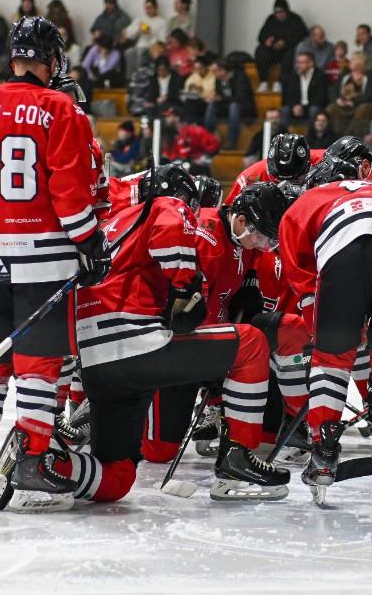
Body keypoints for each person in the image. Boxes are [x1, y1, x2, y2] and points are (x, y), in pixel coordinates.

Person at [0, 16, 107, 508]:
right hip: (44, 260)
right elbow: (68, 188)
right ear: (53, 60)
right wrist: (88, 240)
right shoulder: (61, 108)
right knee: (38, 367)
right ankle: (34, 461)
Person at [56, 168, 291, 505]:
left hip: (96, 360)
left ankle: (47, 464)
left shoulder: (114, 222)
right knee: (251, 343)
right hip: (136, 341)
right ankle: (236, 460)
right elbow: (182, 306)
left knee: (118, 478)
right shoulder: (169, 209)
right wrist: (186, 284)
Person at [278, 159, 372, 506]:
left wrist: (323, 324)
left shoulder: (313, 197)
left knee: (331, 356)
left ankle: (324, 449)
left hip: (346, 246)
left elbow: (298, 271)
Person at [226, 132, 325, 203]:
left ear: (308, 165)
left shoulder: (324, 160)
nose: (287, 185)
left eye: (295, 179)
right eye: (279, 179)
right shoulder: (248, 177)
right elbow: (229, 213)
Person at [254, 0, 308, 92]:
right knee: (260, 51)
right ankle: (263, 82)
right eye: (277, 13)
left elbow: (303, 35)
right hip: (272, 52)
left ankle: (280, 82)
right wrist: (266, 41)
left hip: (288, 51)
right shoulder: (270, 19)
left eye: (281, 12)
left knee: (291, 54)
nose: (279, 15)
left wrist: (285, 43)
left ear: (286, 11)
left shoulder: (295, 19)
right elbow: (261, 36)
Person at [204, 57, 255, 146]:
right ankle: (209, 135)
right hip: (226, 106)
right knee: (211, 105)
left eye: (215, 71)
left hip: (244, 108)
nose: (213, 73)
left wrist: (220, 98)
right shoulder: (218, 79)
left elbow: (241, 97)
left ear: (223, 70)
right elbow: (219, 93)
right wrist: (213, 96)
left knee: (234, 106)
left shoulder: (240, 77)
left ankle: (232, 140)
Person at [326, 53, 372, 137]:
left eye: (353, 59)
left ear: (360, 62)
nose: (350, 61)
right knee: (331, 108)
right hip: (342, 104)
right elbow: (334, 90)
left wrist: (353, 102)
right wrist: (338, 100)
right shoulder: (345, 74)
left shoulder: (370, 76)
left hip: (359, 105)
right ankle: (335, 136)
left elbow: (371, 95)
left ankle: (351, 136)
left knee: (363, 109)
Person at [280, 51, 329, 123]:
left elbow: (321, 97)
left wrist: (304, 107)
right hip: (297, 106)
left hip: (312, 106)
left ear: (311, 63)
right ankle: (285, 133)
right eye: (297, 62)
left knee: (313, 110)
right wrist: (295, 106)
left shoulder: (320, 76)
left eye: (301, 63)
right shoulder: (293, 75)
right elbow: (288, 94)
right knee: (285, 110)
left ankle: (311, 133)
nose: (298, 65)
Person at [123, 0, 168, 73]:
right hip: (139, 46)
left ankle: (141, 76)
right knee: (129, 53)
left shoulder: (162, 22)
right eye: (146, 8)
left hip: (152, 47)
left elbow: (163, 40)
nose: (148, 10)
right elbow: (128, 33)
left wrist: (150, 32)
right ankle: (130, 79)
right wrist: (138, 29)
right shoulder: (141, 20)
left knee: (142, 52)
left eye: (150, 8)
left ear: (156, 7)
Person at [181, 54, 216, 124]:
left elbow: (210, 92)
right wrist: (192, 90)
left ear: (206, 67)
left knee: (192, 103)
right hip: (194, 102)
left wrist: (200, 90)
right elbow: (186, 91)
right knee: (190, 101)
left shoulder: (213, 77)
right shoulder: (193, 76)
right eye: (196, 68)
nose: (198, 70)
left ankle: (191, 125)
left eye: (200, 68)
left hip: (207, 103)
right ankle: (190, 126)